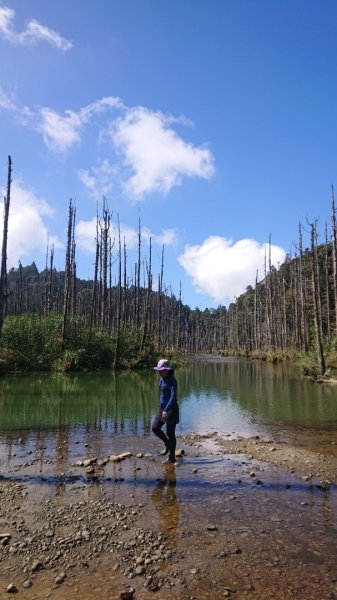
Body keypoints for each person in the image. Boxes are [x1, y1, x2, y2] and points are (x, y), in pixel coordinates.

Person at [151, 359, 179, 464]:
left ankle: (172, 456)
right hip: (162, 407)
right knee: (155, 428)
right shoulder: (162, 379)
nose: (159, 372)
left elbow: (173, 397)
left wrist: (166, 410)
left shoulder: (172, 380)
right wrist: (162, 407)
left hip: (171, 408)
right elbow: (162, 393)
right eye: (159, 370)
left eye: (161, 370)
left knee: (170, 433)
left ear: (167, 370)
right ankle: (167, 444)